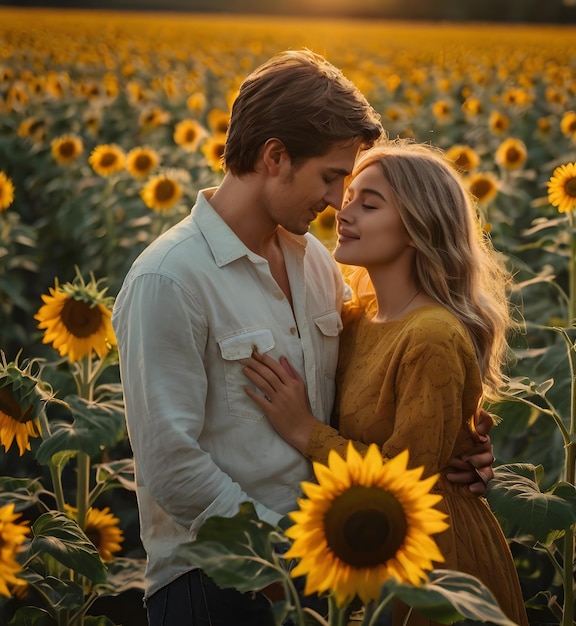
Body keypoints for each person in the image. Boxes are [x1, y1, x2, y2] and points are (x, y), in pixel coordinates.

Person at [112, 50, 496, 626]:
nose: (339, 198)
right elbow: (171, 466)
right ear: (275, 156)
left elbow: (375, 383)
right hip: (222, 583)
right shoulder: (170, 278)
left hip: (332, 572)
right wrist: (277, 559)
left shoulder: (317, 262)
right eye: (331, 176)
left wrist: (452, 444)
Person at [241, 140, 529, 626]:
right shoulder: (356, 320)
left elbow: (402, 479)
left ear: (419, 228)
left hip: (432, 562)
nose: (343, 211)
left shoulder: (431, 335)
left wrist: (302, 429)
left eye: (368, 204)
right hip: (373, 547)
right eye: (349, 197)